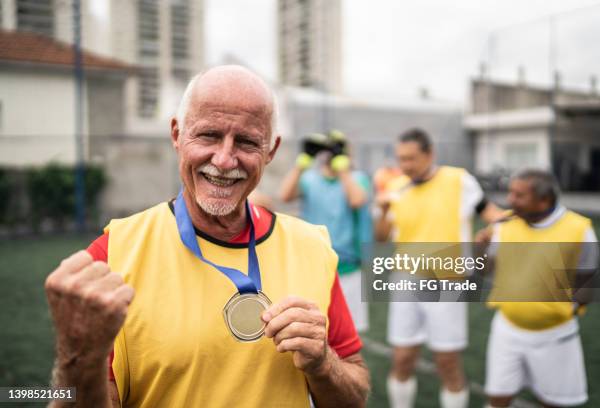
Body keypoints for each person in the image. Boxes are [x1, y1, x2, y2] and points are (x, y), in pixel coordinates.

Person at [44, 66, 370, 408]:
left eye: (246, 141)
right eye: (209, 135)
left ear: (270, 151)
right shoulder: (114, 254)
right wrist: (75, 357)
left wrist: (322, 364)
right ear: (176, 134)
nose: (225, 159)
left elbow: (354, 396)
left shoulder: (313, 247)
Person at [374, 128, 503, 408]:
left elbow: (490, 212)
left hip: (448, 282)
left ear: (430, 154)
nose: (405, 165)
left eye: (411, 159)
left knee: (447, 361)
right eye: (400, 159)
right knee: (402, 357)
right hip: (406, 279)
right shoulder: (394, 187)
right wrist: (383, 211)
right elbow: (381, 238)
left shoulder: (459, 179)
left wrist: (502, 224)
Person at [480, 169, 598, 408]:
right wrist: (480, 248)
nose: (510, 200)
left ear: (544, 200)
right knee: (497, 400)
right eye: (511, 192)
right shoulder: (504, 223)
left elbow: (587, 280)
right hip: (507, 331)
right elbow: (485, 269)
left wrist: (564, 311)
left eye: (519, 195)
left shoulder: (579, 229)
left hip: (554, 336)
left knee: (553, 403)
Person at [279, 130, 372, 332]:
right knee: (314, 330)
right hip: (314, 265)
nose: (330, 155)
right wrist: (302, 163)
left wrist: (343, 169)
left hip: (348, 268)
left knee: (350, 333)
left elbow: (357, 200)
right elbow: (285, 195)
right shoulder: (310, 179)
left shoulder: (357, 178)